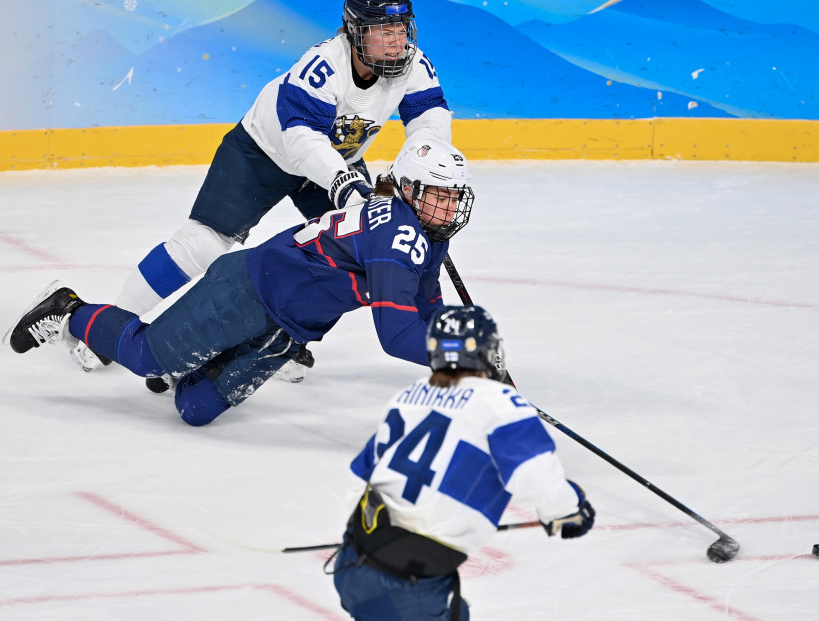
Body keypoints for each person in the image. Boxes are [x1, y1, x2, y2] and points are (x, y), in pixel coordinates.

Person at [69, 0, 452, 379]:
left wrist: (417, 172)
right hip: (264, 152)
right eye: (383, 31)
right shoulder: (324, 66)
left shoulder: (412, 64)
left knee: (346, 261)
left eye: (400, 30)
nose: (395, 42)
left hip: (336, 162)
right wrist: (343, 183)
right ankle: (112, 323)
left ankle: (272, 338)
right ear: (355, 32)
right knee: (202, 244)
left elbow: (429, 119)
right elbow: (301, 136)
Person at [5, 139, 473, 427]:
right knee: (147, 356)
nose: (448, 209)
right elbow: (397, 336)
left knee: (195, 412)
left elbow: (426, 309)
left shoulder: (427, 236)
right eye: (438, 195)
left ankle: (192, 357)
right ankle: (69, 309)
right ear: (409, 189)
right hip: (248, 290)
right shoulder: (397, 232)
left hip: (289, 327)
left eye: (454, 197)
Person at [330, 305, 596, 621]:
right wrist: (567, 510)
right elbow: (534, 474)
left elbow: (359, 475)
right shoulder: (501, 402)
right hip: (407, 585)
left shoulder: (408, 396)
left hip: (352, 563)